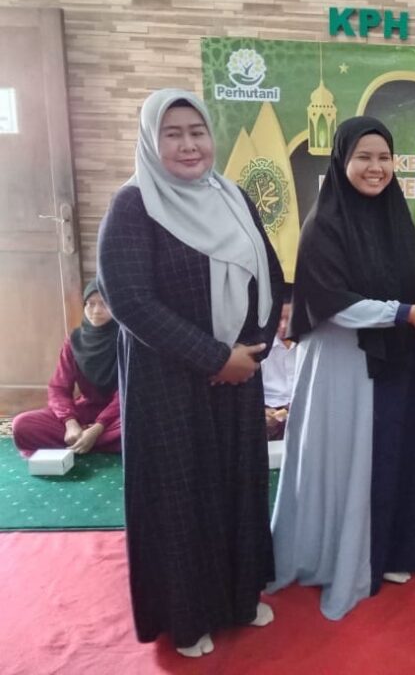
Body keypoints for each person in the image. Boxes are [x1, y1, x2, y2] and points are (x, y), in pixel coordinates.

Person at [97, 89, 284, 658]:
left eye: (197, 132)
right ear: (150, 140)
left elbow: (271, 274)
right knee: (182, 496)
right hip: (169, 386)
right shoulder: (133, 207)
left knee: (236, 486)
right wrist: (214, 358)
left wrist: (252, 351)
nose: (188, 145)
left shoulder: (233, 197)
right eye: (172, 133)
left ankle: (239, 596)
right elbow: (130, 302)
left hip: (237, 379)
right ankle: (187, 616)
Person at [269, 116, 415, 621]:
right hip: (343, 365)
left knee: (392, 450)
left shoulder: (395, 216)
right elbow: (331, 302)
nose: (376, 168)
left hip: (395, 355)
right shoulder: (324, 224)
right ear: (341, 161)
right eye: (364, 157)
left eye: (384, 157)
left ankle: (389, 550)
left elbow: (407, 279)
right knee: (351, 459)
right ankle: (343, 556)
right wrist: (404, 313)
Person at [11, 280, 121, 457]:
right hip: (85, 411)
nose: (96, 311)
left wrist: (97, 428)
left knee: (142, 424)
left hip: (118, 414)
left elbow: (127, 392)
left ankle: (87, 441)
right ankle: (93, 441)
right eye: (90, 304)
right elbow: (58, 388)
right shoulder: (75, 341)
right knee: (22, 424)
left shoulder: (127, 340)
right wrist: (70, 423)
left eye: (104, 304)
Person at [263, 287, 296, 441]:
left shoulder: (310, 346)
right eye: (279, 320)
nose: (283, 327)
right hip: (269, 411)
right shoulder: (262, 347)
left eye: (289, 320)